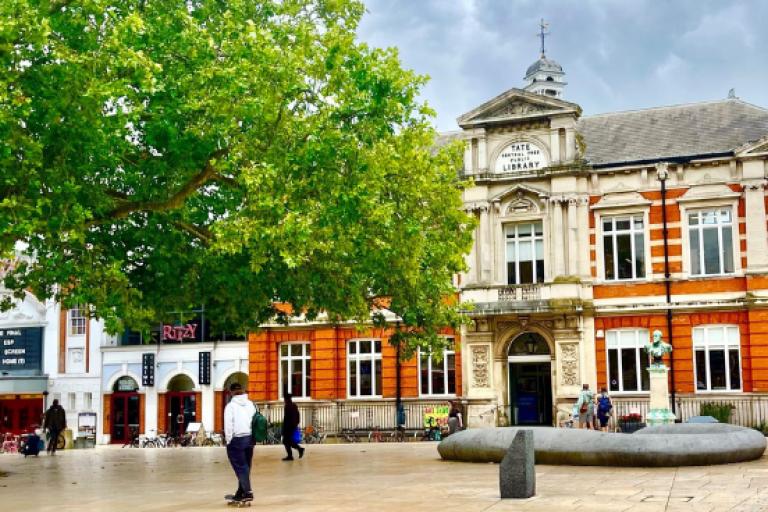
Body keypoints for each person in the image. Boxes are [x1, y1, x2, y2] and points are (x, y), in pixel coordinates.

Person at [223, 383, 256, 504]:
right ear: (242, 391)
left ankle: (248, 493)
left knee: (240, 467)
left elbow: (228, 425)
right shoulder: (250, 404)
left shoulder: (230, 406)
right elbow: (254, 421)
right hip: (249, 439)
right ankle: (240, 492)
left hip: (236, 439)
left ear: (231, 392)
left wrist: (228, 440)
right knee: (246, 467)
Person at [281, 392, 304, 461]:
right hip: (293, 426)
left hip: (288, 427)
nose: (284, 400)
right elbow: (298, 416)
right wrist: (296, 424)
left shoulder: (287, 406)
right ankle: (298, 450)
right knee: (288, 441)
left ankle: (295, 452)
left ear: (286, 399)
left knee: (285, 441)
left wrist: (284, 428)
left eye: (284, 399)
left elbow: (286, 419)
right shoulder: (294, 405)